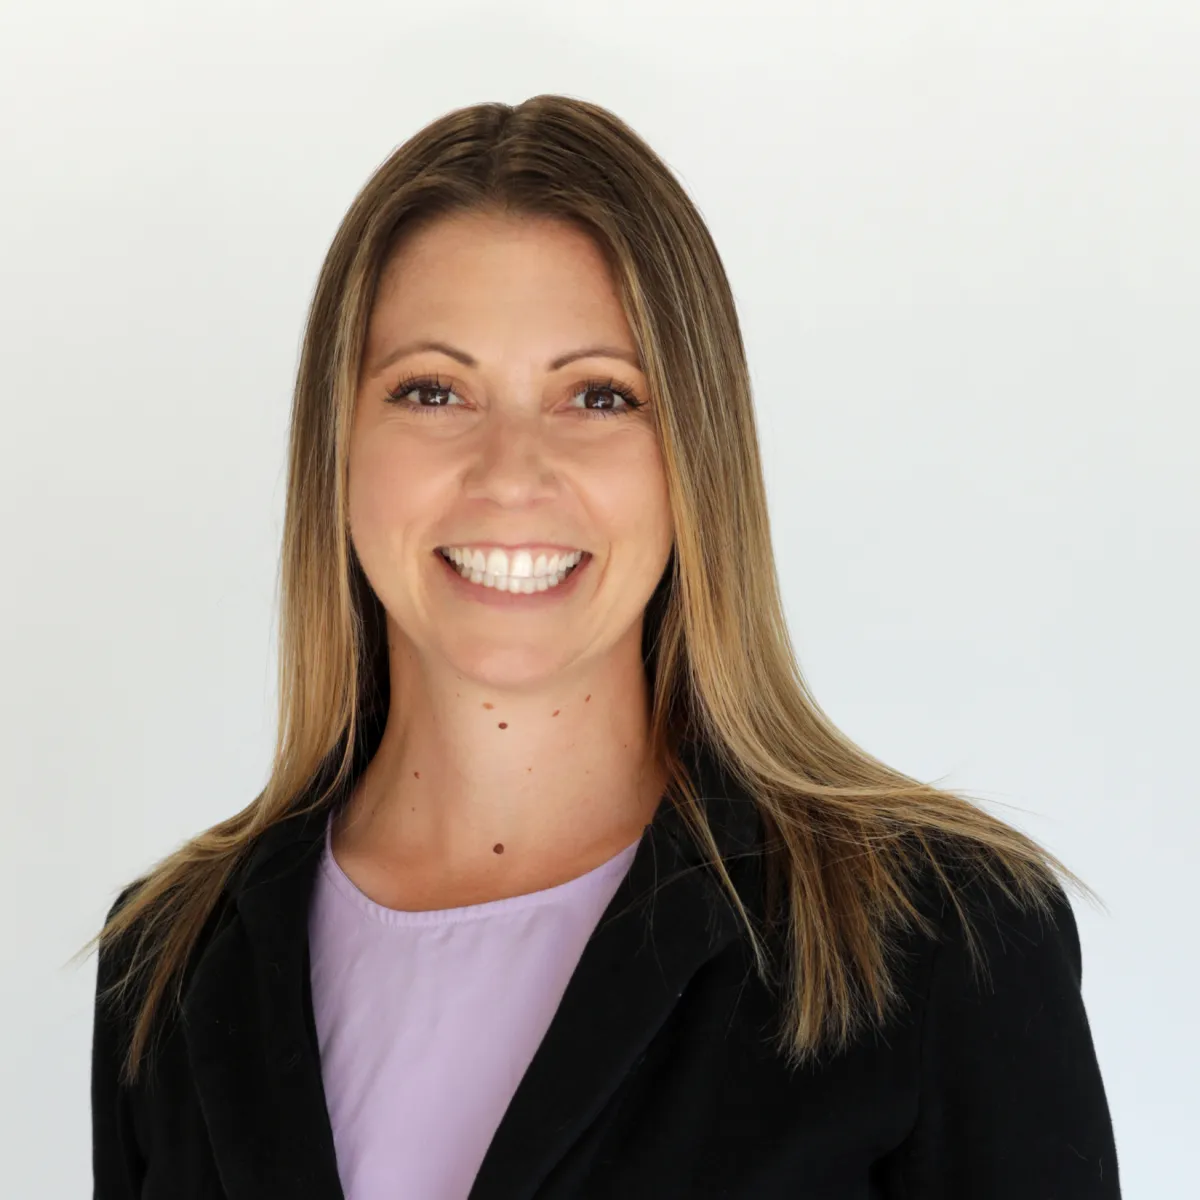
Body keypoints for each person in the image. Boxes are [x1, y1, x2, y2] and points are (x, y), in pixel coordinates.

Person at [87, 95, 1121, 1199]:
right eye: (433, 390)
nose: (511, 472)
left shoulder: (942, 941)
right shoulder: (169, 961)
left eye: (599, 396)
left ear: (695, 458)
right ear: (337, 446)